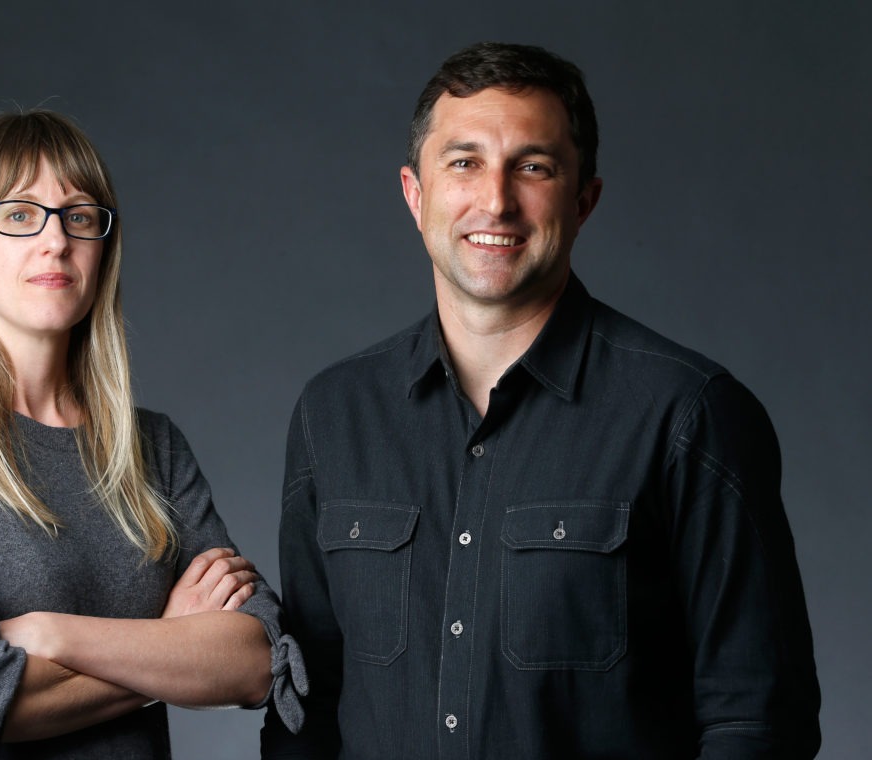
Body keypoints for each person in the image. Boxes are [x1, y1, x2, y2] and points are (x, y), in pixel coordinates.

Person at [261, 42, 819, 759]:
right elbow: (309, 705)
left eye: (533, 166)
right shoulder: (333, 415)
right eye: (463, 162)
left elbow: (759, 720)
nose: (495, 199)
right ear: (415, 194)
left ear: (584, 200)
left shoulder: (690, 416)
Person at [0, 110, 304, 758]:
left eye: (80, 216)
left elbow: (260, 661)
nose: (56, 241)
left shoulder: (154, 451)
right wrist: (167, 641)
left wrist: (50, 634)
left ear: (102, 248)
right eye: (19, 214)